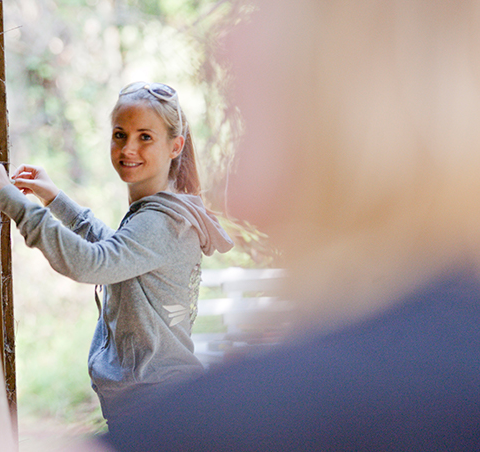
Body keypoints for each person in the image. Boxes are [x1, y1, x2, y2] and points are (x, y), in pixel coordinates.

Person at [74, 1, 480, 450]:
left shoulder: (279, 411)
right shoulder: (431, 348)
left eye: (266, 13)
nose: (226, 42)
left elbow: (98, 259)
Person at [0, 82, 233, 428]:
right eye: (119, 134)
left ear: (175, 146)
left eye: (145, 137)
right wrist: (55, 199)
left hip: (157, 409)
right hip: (157, 402)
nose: (128, 148)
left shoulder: (160, 222)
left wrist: (13, 200)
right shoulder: (158, 214)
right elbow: (117, 253)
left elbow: (92, 263)